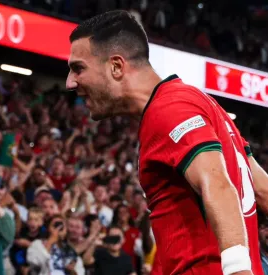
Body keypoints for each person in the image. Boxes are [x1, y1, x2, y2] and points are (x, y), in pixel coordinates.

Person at [66, 10, 268, 275]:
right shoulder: (199, 102)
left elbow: (216, 182)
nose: (70, 82)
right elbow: (262, 191)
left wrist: (238, 270)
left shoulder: (168, 110)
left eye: (78, 68)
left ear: (116, 66)